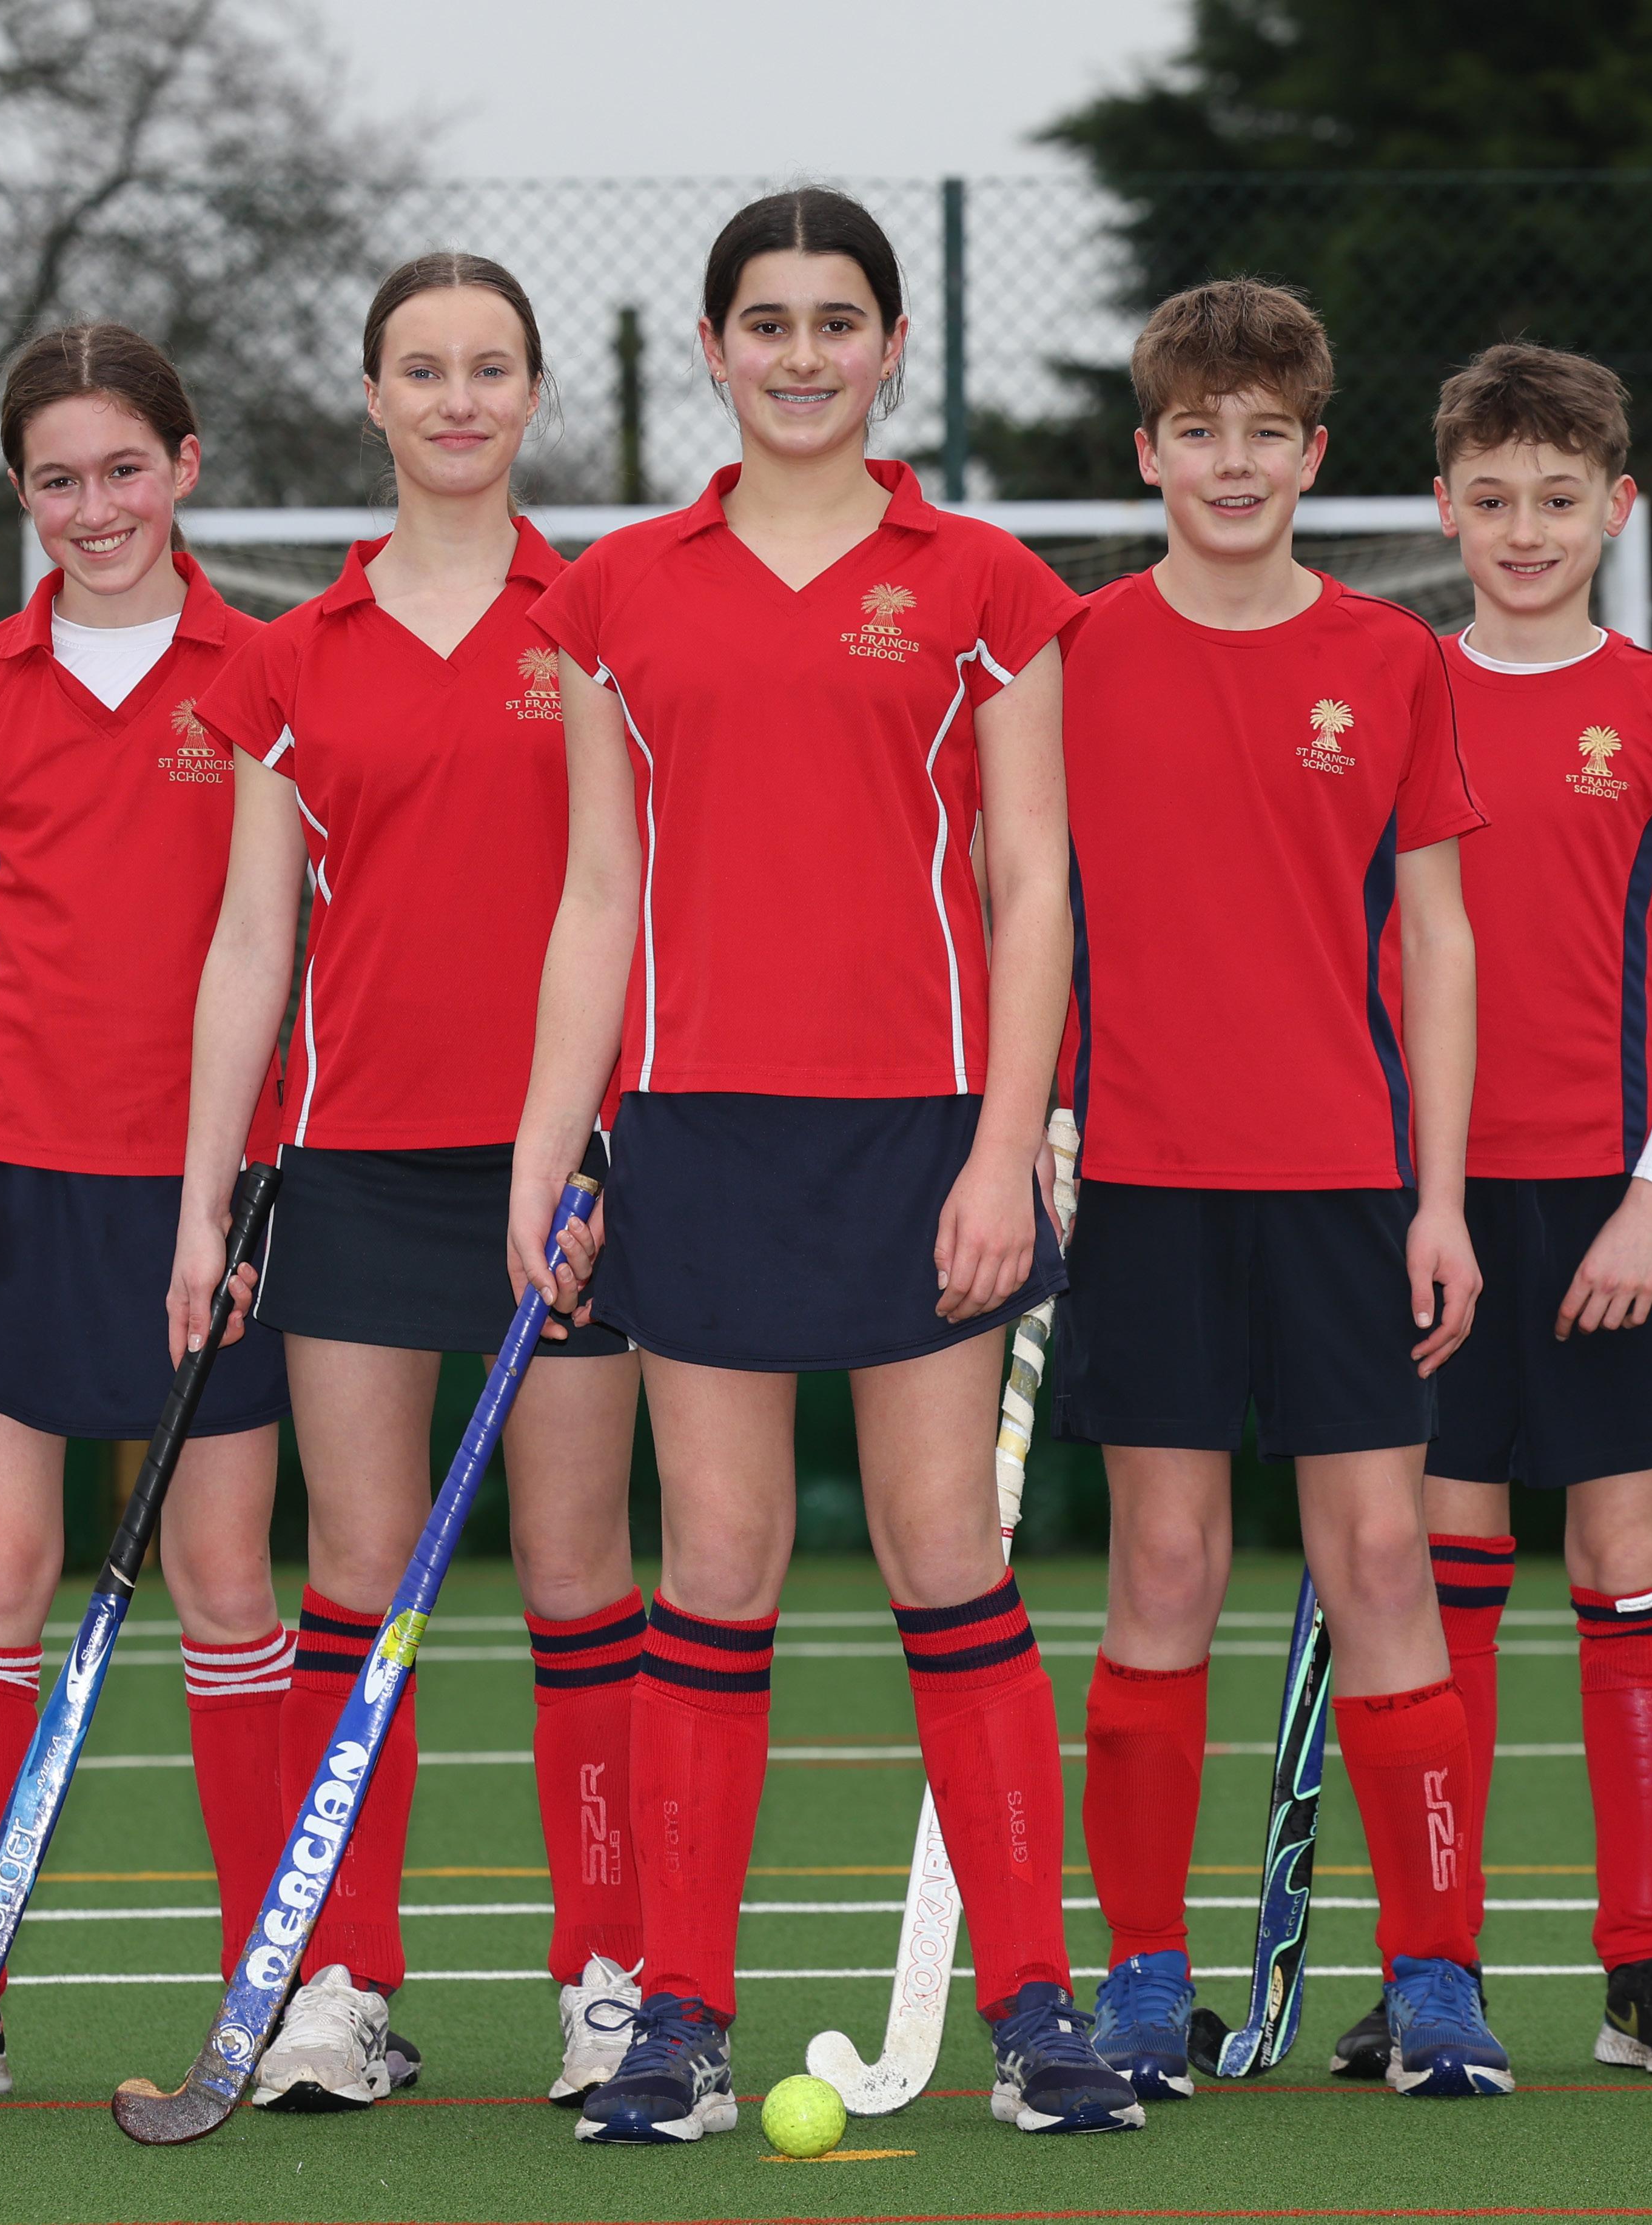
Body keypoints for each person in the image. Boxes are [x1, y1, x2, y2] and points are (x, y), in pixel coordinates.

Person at [505, 187, 1135, 2144]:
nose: (801, 354)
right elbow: (597, 890)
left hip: (921, 1134)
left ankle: (1036, 2010)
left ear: (889, 347)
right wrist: (545, 1150)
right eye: (766, 322)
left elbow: (1034, 886)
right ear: (713, 348)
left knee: (950, 1558)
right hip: (695, 1135)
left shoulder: (987, 584)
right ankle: (679, 2018)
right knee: (719, 1564)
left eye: (836, 320)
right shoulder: (613, 592)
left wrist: (1006, 1147)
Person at [172, 253, 647, 2112]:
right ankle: (339, 1982)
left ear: (534, 395)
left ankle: (607, 1971)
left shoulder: (602, 617)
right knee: (358, 1572)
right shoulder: (287, 658)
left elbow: (633, 899)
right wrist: (207, 1196)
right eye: (424, 369)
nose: (458, 400)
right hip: (359, 1164)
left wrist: (587, 1135)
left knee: (577, 1570)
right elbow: (247, 947)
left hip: (571, 1165)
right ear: (371, 396)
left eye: (491, 368)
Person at [1056, 278, 1513, 2101]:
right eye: (1200, 432)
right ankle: (1143, 1977)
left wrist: (1442, 1196)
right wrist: (1033, 1122)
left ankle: (1437, 1978)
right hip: (1144, 1176)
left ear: (1315, 455)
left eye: (1266, 433)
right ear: (1147, 454)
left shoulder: (1394, 659)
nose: (1232, 463)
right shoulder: (1076, 653)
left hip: (1343, 1179)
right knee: (1164, 1562)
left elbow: (1442, 941)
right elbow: (1019, 911)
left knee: (1382, 1558)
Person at [0, 322, 290, 2096]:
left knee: (224, 1580)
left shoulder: (270, 670)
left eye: (123, 469)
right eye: (57, 480)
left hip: (213, 1186)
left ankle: (265, 1994)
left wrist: (236, 1183)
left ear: (186, 466)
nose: (94, 509)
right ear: (19, 494)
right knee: (0, 1572)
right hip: (18, 1178)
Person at [1323, 340, 1652, 2084]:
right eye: (1494, 498)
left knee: (1622, 1570)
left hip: (1607, 1202)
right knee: (1437, 1585)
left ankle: (1650, 1962)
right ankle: (1432, 1968)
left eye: (1560, 500)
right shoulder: (1386, 689)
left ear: (1617, 508)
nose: (1526, 530)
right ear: (1442, 506)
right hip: (1418, 1205)